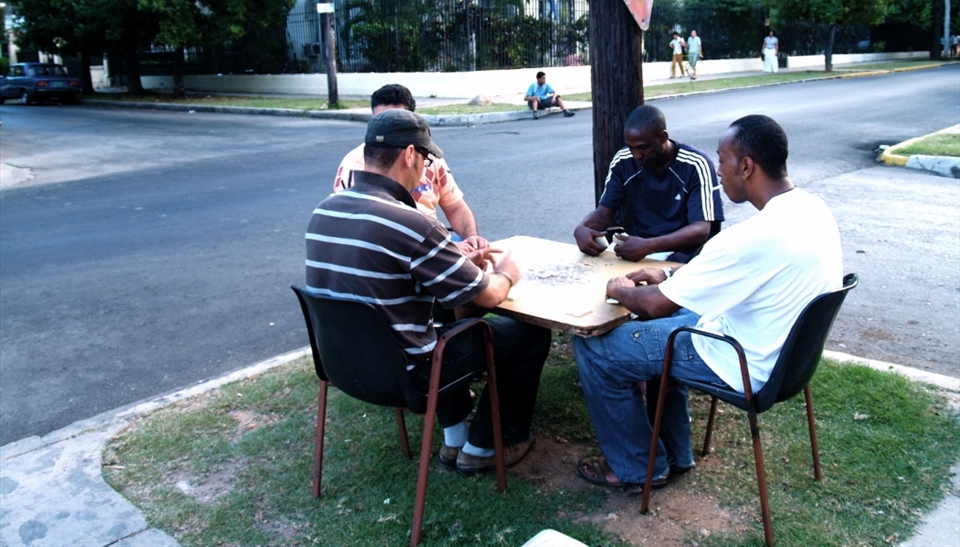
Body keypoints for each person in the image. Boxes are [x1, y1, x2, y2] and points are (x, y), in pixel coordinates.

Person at [573, 114, 843, 489]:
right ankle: (675, 453)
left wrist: (619, 289)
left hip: (740, 361)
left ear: (746, 166)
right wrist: (667, 276)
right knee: (654, 334)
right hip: (783, 358)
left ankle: (637, 467)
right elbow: (717, 282)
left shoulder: (752, 237)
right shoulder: (812, 209)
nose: (718, 171)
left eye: (722, 160)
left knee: (595, 348)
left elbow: (654, 306)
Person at [307, 109, 551, 475]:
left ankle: (455, 438)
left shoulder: (322, 213)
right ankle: (484, 446)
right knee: (529, 335)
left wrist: (452, 261)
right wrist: (507, 272)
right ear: (409, 155)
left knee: (438, 319)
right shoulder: (412, 222)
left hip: (344, 366)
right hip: (410, 376)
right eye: (425, 159)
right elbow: (486, 296)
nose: (426, 170)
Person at [333, 84, 485, 252]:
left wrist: (472, 239)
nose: (386, 130)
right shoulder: (355, 166)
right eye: (381, 121)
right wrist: (442, 249)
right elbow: (360, 232)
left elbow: (456, 207)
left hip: (435, 243)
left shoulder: (430, 157)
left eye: (395, 124)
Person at [574, 105, 724, 264]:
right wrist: (583, 228)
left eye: (642, 147)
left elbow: (701, 230)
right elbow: (604, 212)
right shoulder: (623, 160)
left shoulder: (695, 164)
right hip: (639, 248)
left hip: (684, 253)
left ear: (663, 137)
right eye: (631, 147)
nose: (636, 155)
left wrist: (649, 245)